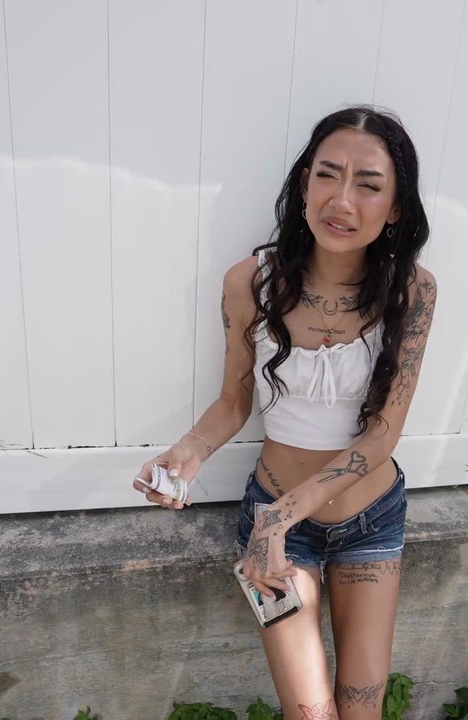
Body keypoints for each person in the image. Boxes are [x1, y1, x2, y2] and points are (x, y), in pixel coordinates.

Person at [133, 105, 436, 720]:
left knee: (362, 709)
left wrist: (282, 514)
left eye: (368, 185)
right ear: (304, 185)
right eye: (327, 175)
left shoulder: (412, 292)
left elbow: (382, 436)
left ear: (395, 208)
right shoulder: (250, 282)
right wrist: (188, 452)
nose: (341, 201)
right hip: (274, 532)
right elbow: (234, 400)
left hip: (371, 522)